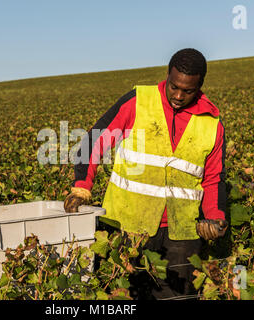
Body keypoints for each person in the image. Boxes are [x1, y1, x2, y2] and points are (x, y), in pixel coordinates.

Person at [64, 48, 228, 299]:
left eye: (188, 91)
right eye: (174, 87)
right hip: (125, 227)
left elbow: (214, 178)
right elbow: (94, 142)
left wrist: (215, 218)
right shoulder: (138, 101)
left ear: (200, 86)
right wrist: (81, 187)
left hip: (182, 235)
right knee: (121, 297)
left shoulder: (212, 124)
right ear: (167, 75)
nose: (178, 96)